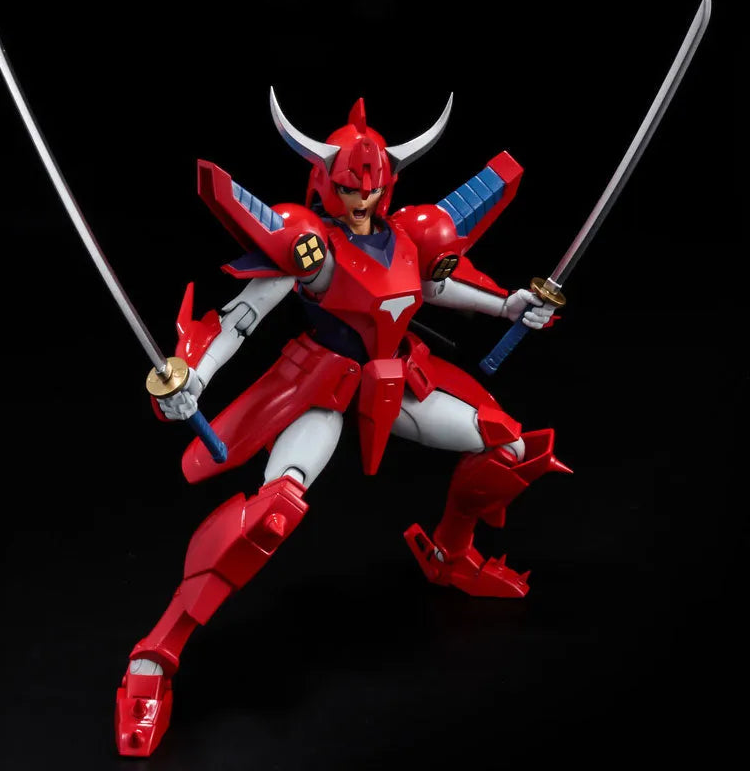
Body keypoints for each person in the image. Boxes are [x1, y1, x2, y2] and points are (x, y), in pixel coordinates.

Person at [115, 89, 570, 756]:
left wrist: (512, 306)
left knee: (507, 445)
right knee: (274, 511)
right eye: (352, 189)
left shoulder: (410, 236)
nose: (363, 200)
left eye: (373, 188)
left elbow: (440, 286)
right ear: (325, 183)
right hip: (325, 387)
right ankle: (155, 655)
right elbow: (240, 320)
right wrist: (192, 380)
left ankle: (449, 553)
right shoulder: (311, 248)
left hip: (401, 378)